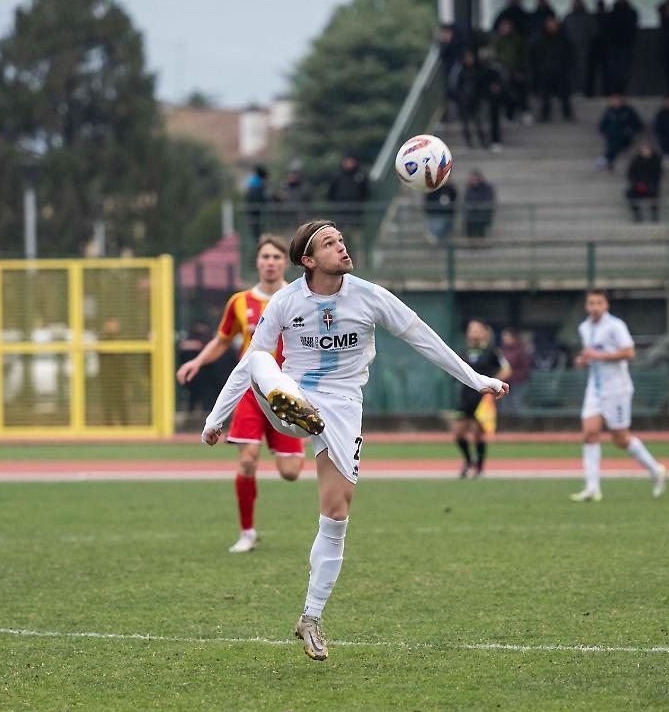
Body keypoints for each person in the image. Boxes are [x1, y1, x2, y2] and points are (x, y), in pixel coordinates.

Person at [200, 218, 509, 660]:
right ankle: (292, 405)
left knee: (337, 511)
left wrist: (476, 378)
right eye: (330, 243)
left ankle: (311, 615)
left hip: (342, 407)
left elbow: (422, 338)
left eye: (342, 240)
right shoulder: (286, 301)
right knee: (258, 359)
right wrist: (216, 419)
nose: (342, 248)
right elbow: (247, 362)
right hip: (291, 394)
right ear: (308, 259)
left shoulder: (369, 295)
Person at [177, 236, 305, 554]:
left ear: (284, 262)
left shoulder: (298, 297)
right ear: (257, 262)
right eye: (265, 256)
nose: (271, 261)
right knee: (247, 460)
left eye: (276, 256)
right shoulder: (239, 301)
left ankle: (292, 445)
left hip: (287, 393)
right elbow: (222, 340)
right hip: (251, 390)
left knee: (290, 473)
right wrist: (196, 360)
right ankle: (247, 532)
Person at [570, 289, 666, 503]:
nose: (595, 307)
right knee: (589, 433)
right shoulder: (584, 328)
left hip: (617, 389)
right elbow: (591, 354)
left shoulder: (615, 326)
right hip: (594, 389)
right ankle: (592, 488)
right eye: (591, 303)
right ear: (586, 306)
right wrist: (584, 361)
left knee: (620, 438)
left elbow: (629, 353)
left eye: (599, 303)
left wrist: (599, 355)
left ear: (606, 306)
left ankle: (655, 469)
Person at [453, 320, 512, 479]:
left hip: (483, 398)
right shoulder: (464, 352)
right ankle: (468, 460)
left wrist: (493, 383)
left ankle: (479, 468)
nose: (474, 333)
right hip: (466, 397)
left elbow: (507, 370)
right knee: (458, 433)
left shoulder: (492, 352)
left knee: (478, 434)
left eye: (478, 330)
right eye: (471, 330)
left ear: (484, 333)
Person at [596, 94, 643, 170]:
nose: (616, 102)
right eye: (614, 101)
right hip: (612, 136)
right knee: (613, 145)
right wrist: (607, 132)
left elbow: (637, 124)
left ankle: (605, 160)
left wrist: (630, 131)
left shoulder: (629, 111)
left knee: (613, 146)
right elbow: (602, 125)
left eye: (618, 101)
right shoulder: (609, 111)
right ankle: (607, 161)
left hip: (625, 137)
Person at [625, 141, 662, 222]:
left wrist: (648, 184)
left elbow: (657, 175)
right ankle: (637, 214)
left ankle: (654, 215)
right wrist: (637, 183)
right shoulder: (636, 160)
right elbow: (631, 174)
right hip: (638, 185)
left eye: (647, 149)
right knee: (629, 193)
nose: (646, 151)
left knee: (654, 192)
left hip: (650, 185)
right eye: (644, 149)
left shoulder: (655, 161)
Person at [463, 170, 496, 238]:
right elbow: (467, 201)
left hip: (483, 213)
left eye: (476, 178)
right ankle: (471, 240)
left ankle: (481, 239)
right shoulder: (469, 189)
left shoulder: (487, 188)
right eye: (473, 179)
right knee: (469, 220)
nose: (474, 180)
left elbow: (488, 200)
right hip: (472, 213)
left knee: (480, 219)